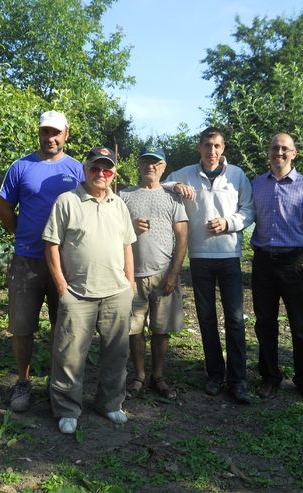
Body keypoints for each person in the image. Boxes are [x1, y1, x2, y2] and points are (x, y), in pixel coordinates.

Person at [43, 146, 136, 434]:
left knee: (116, 354)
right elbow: (51, 245)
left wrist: (130, 284)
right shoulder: (66, 201)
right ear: (85, 170)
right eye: (95, 168)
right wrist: (61, 286)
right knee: (69, 355)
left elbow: (127, 245)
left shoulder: (118, 204)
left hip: (116, 293)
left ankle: (109, 404)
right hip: (78, 293)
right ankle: (68, 409)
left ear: (113, 174)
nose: (101, 174)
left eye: (106, 169)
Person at [0, 110, 84, 412]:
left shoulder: (78, 170)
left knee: (64, 326)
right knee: (22, 326)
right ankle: (23, 382)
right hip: (28, 260)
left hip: (67, 262)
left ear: (66, 134)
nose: (51, 138)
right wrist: (22, 233)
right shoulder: (21, 167)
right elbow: (5, 207)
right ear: (39, 134)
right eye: (46, 132)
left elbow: (95, 206)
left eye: (56, 133)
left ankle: (58, 383)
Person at [166, 127, 255, 404]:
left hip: (229, 256)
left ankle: (238, 380)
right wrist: (175, 186)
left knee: (235, 319)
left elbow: (249, 210)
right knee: (206, 319)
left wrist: (228, 223)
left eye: (217, 146)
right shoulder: (185, 174)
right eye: (207, 145)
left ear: (223, 148)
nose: (212, 151)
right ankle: (215, 374)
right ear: (199, 147)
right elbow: (160, 183)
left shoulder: (237, 175)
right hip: (200, 257)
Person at [251, 133, 303, 401]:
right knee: (265, 324)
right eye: (275, 148)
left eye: (285, 149)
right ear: (269, 152)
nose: (279, 152)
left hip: (295, 263)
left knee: (299, 324)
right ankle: (270, 377)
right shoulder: (256, 184)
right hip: (263, 262)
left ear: (294, 153)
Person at [119, 146, 188, 401]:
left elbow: (182, 237)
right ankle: (139, 375)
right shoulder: (124, 196)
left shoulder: (173, 198)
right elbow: (113, 231)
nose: (151, 166)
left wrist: (173, 273)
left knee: (161, 329)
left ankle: (158, 376)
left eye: (156, 163)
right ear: (139, 165)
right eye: (146, 162)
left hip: (163, 274)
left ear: (164, 167)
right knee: (133, 330)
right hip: (132, 276)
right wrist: (130, 226)